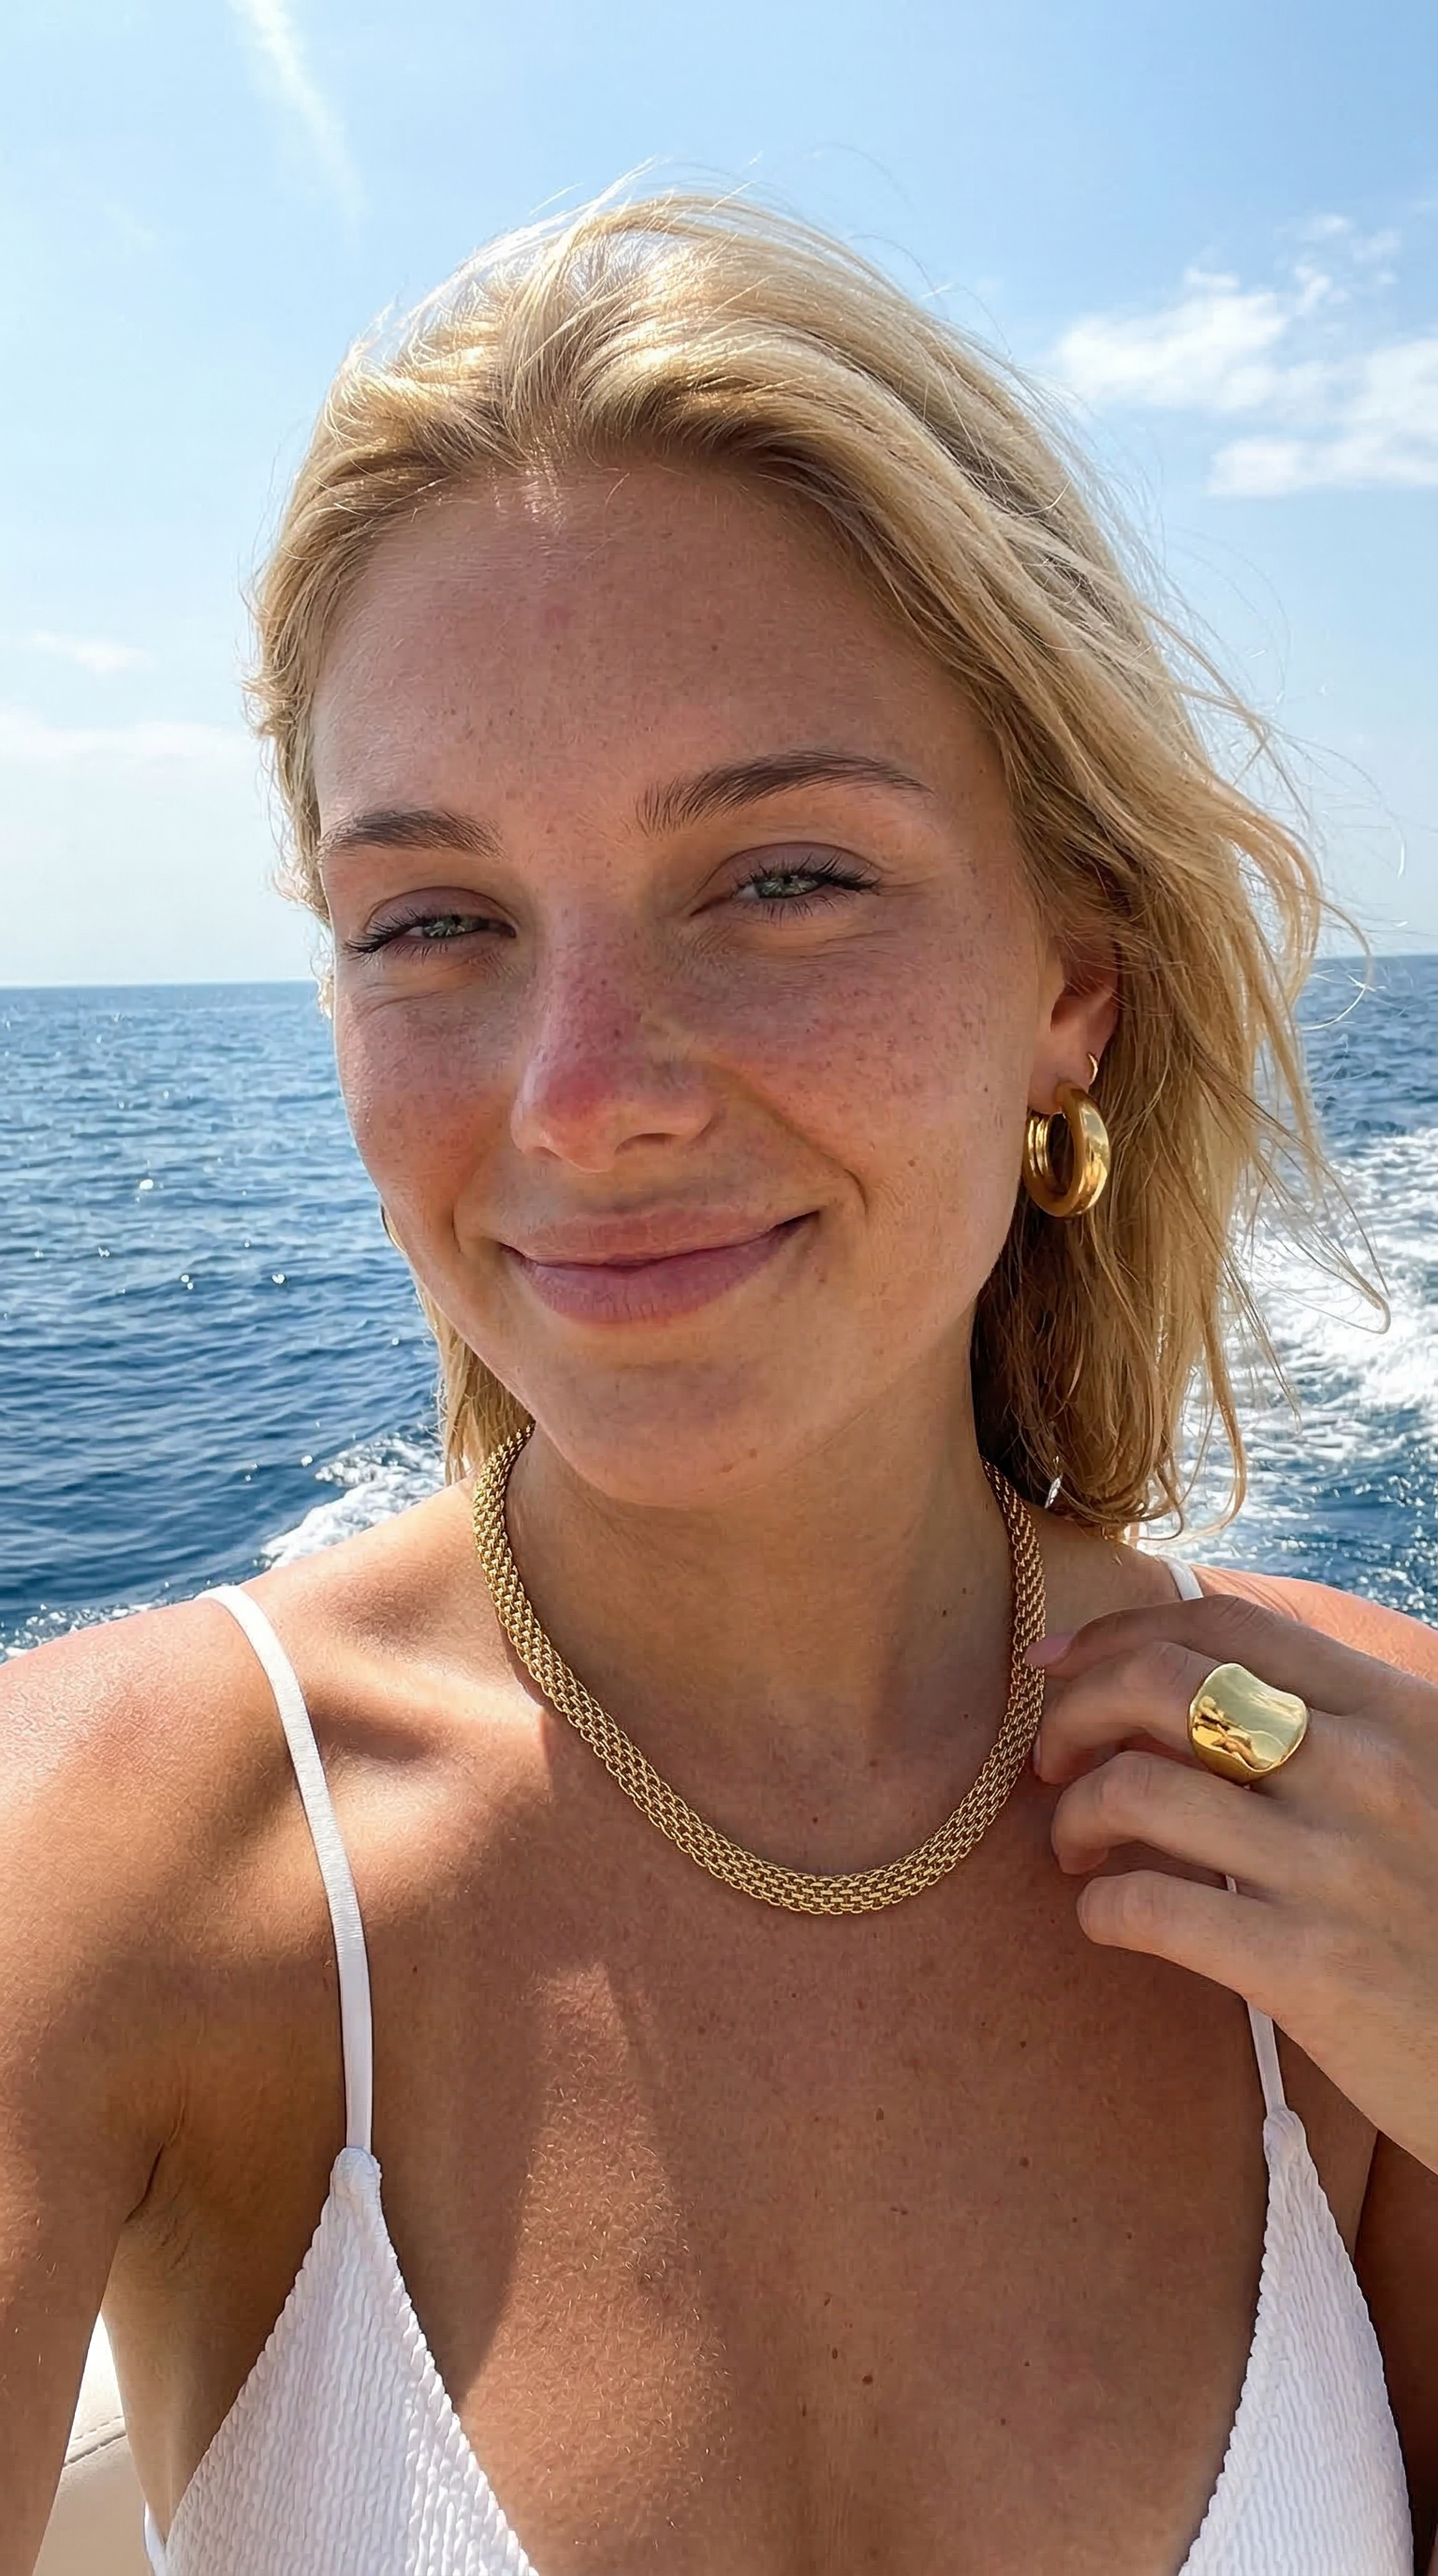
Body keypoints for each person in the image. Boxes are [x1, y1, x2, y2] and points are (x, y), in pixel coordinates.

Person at [7, 193, 1437, 2576]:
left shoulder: (1374, 1818)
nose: (581, 1096)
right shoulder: (109, 1871)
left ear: (1073, 978)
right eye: (433, 919)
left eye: (780, 877)